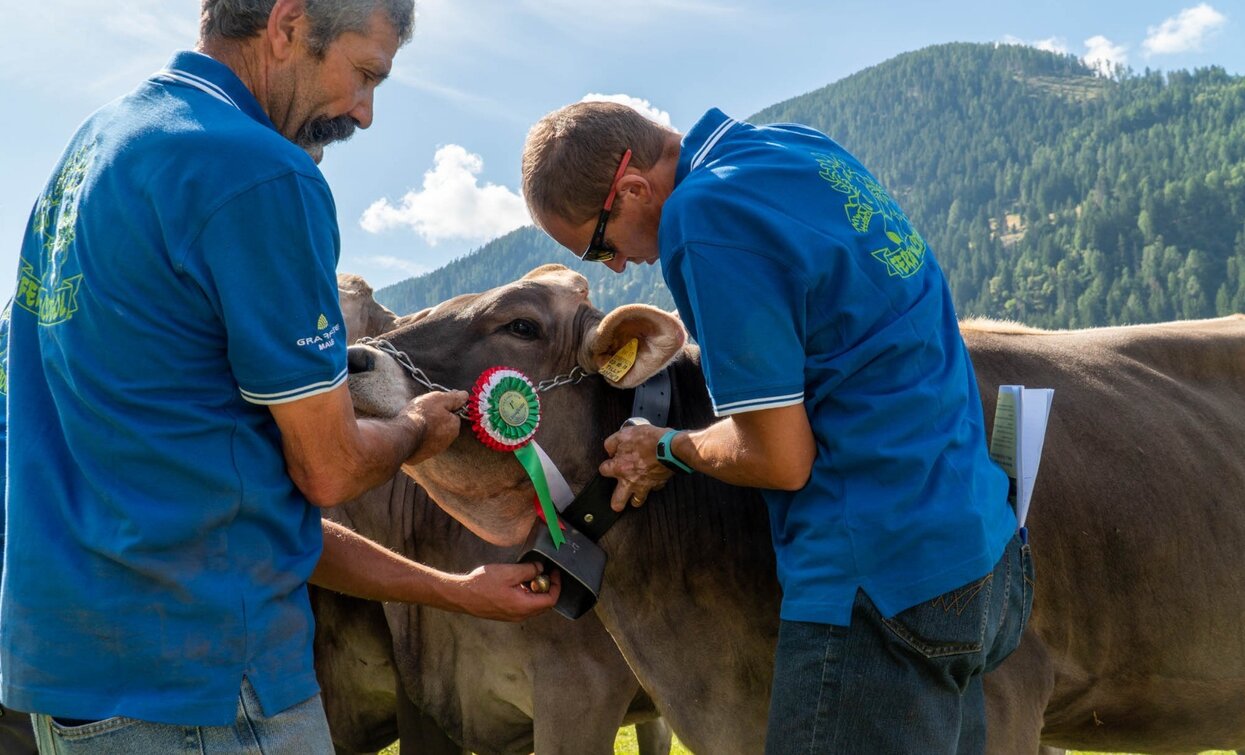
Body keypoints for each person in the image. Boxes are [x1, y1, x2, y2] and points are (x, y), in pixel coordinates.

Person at [0, 1, 558, 752]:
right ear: (288, 24)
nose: (364, 113)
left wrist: (453, 591)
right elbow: (328, 468)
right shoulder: (256, 171)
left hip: (73, 679)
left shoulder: (91, 157)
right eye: (364, 74)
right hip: (205, 691)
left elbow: (230, 505)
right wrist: (414, 431)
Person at [521, 102, 1032, 754]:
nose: (616, 266)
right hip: (979, 552)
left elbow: (779, 456)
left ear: (630, 189)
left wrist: (670, 447)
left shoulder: (703, 221)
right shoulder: (796, 149)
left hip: (875, 585)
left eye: (600, 242)